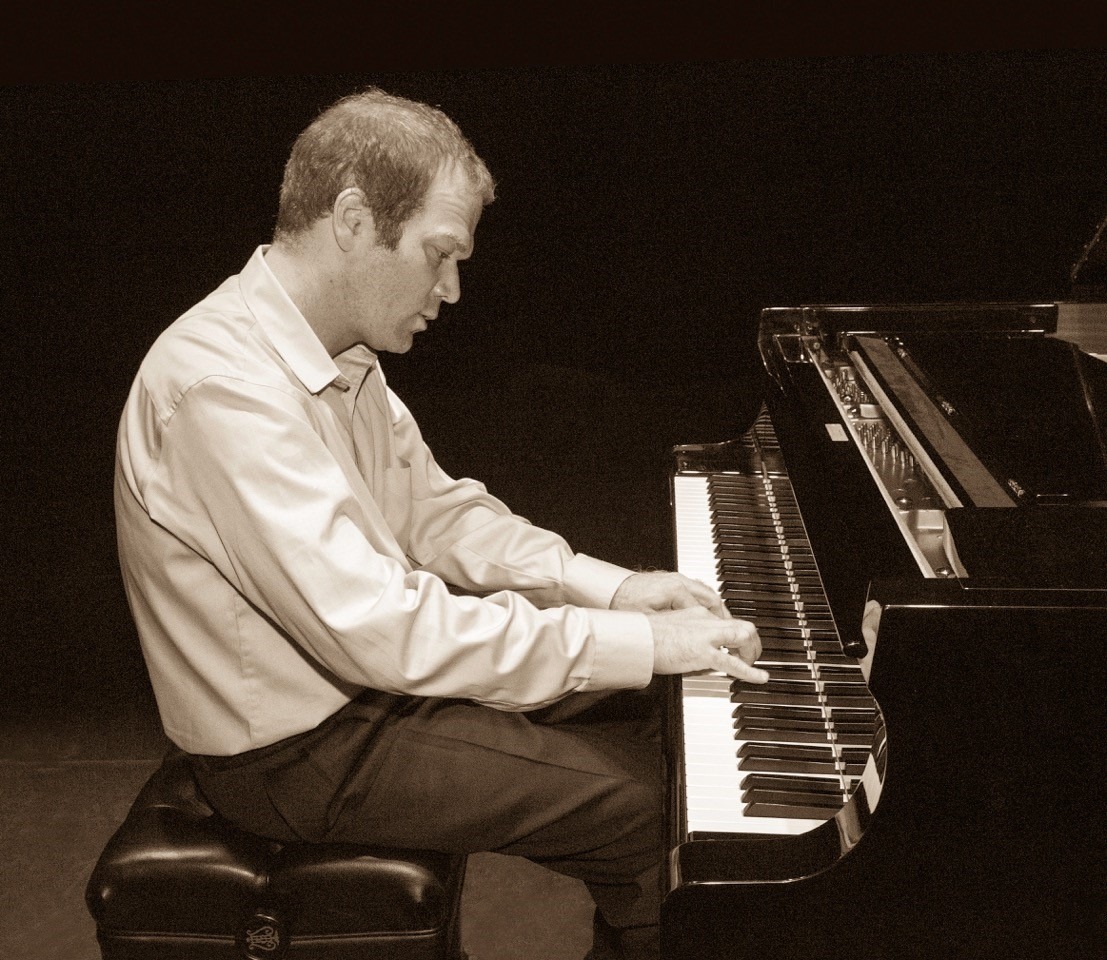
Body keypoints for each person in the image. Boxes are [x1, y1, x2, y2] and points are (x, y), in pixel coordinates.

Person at [113, 86, 767, 960]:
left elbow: (434, 510)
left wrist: (611, 589)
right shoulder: (223, 390)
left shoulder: (337, 355)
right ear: (353, 219)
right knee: (652, 815)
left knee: (661, 716)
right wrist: (638, 643)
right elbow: (382, 629)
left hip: (363, 692)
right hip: (295, 755)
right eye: (439, 253)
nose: (451, 289)